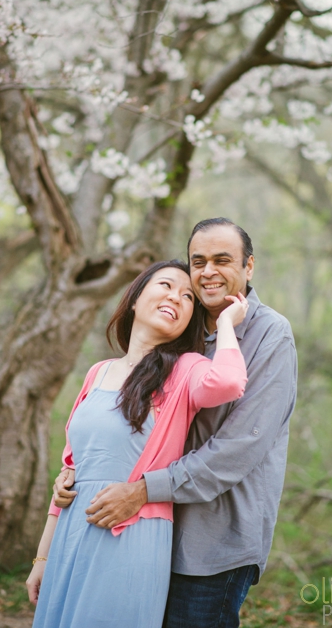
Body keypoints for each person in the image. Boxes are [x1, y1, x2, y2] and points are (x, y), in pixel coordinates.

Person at [57, 218, 298, 627]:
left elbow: (237, 449)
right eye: (198, 261)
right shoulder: (182, 328)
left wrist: (143, 490)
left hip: (213, 542)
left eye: (223, 260)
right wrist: (76, 473)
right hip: (147, 532)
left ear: (249, 267)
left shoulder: (270, 336)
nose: (208, 272)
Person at [26, 259, 249, 627]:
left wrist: (225, 323)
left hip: (129, 535)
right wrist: (42, 559)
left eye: (188, 297)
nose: (176, 298)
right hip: (70, 536)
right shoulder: (98, 372)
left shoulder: (184, 370)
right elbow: (70, 470)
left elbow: (228, 382)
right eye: (165, 285)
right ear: (135, 298)